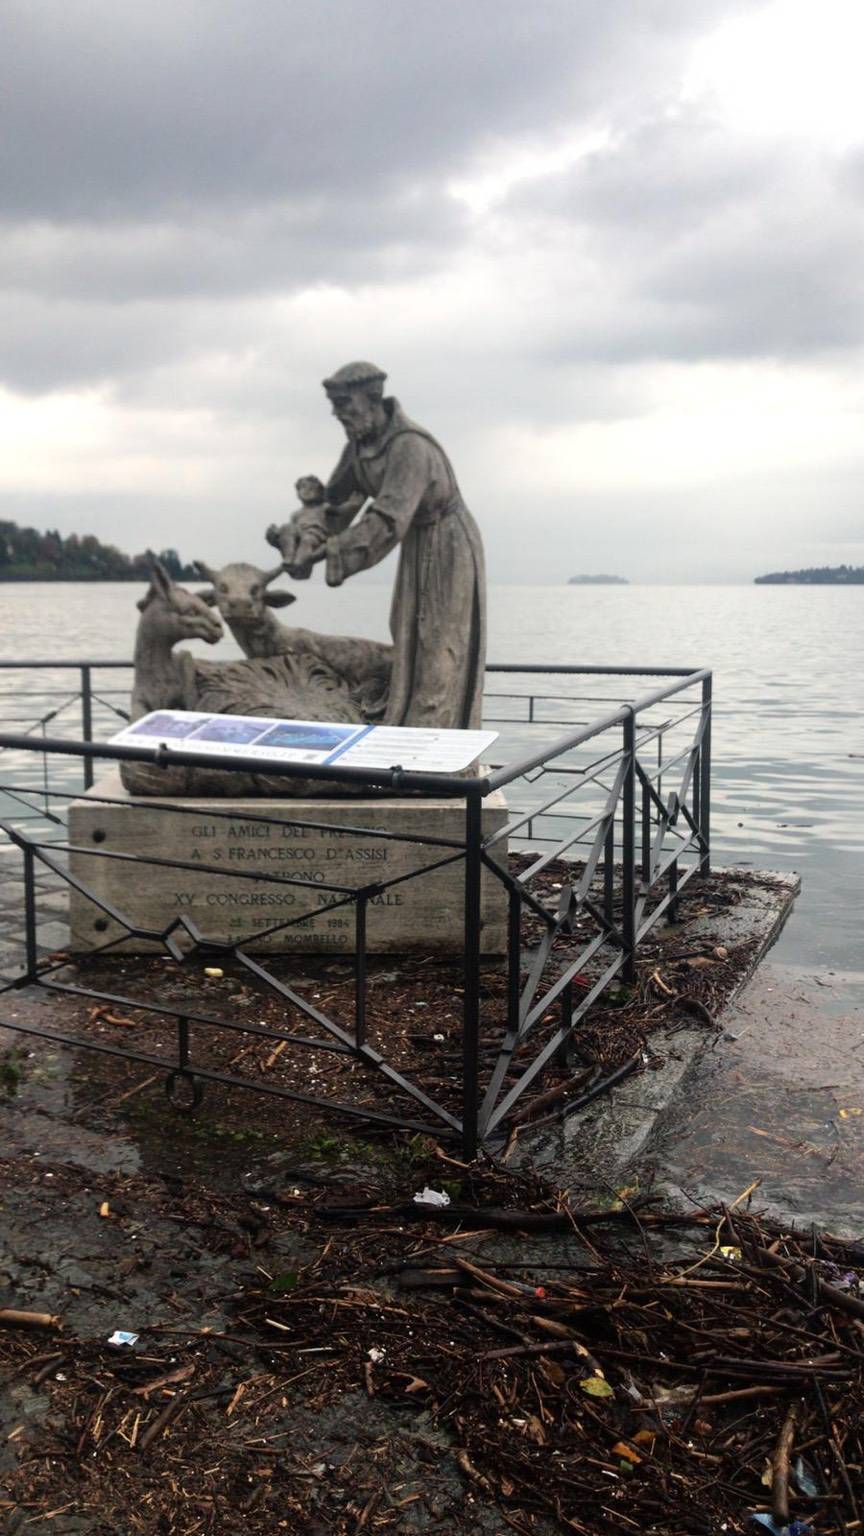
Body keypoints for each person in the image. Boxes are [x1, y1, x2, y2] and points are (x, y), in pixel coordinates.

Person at [269, 362, 486, 730]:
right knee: (409, 640)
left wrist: (330, 551)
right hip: (416, 545)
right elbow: (335, 505)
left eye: (344, 403)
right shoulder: (359, 448)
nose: (337, 413)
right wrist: (302, 539)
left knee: (439, 646)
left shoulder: (410, 446)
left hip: (448, 547)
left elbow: (386, 520)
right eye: (334, 405)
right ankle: (408, 731)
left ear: (372, 399)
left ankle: (435, 741)